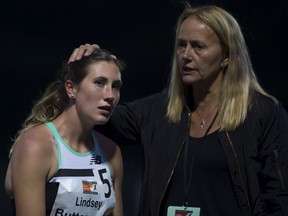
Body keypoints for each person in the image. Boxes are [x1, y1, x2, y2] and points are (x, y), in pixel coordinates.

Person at [69, 3, 288, 216]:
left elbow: (280, 196)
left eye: (198, 46)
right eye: (181, 45)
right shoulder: (159, 111)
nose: (185, 55)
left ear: (226, 56)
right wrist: (82, 76)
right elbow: (96, 118)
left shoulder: (263, 114)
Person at [5, 48, 125, 216]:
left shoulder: (111, 152)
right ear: (71, 89)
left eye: (116, 86)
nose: (110, 95)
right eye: (99, 82)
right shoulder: (36, 146)